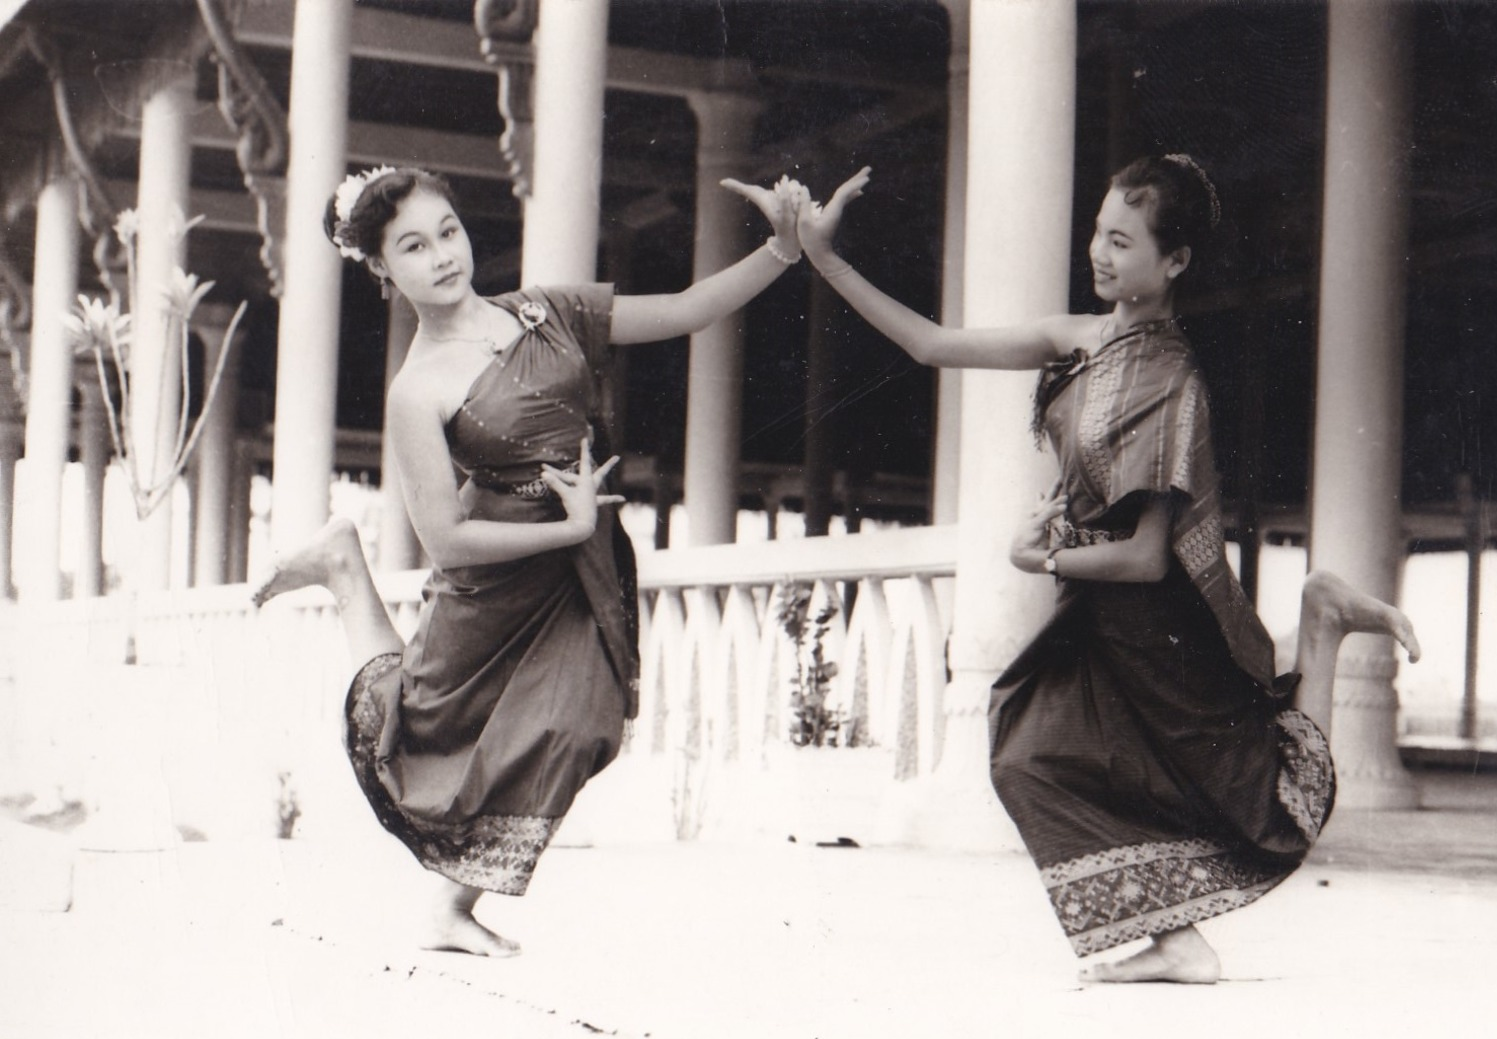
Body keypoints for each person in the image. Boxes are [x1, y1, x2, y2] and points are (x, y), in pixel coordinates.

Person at [797, 157, 1422, 984]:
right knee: (1029, 754)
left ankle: (1321, 616)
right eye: (1097, 231)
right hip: (1096, 612)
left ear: (1174, 263)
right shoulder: (1078, 337)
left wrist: (1040, 555)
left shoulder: (1173, 381)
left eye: (1121, 241)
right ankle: (1178, 940)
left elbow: (1144, 555)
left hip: (1159, 623)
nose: (1098, 252)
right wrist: (822, 256)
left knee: (1269, 812)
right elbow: (930, 344)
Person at [253, 165, 810, 957]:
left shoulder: (552, 310)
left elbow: (688, 310)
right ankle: (346, 567)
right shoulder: (417, 389)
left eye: (448, 230)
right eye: (413, 246)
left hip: (578, 562)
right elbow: (443, 537)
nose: (442, 255)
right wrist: (566, 526)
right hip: (496, 570)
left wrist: (782, 250)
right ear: (381, 269)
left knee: (580, 725)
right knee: (425, 727)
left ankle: (452, 902)